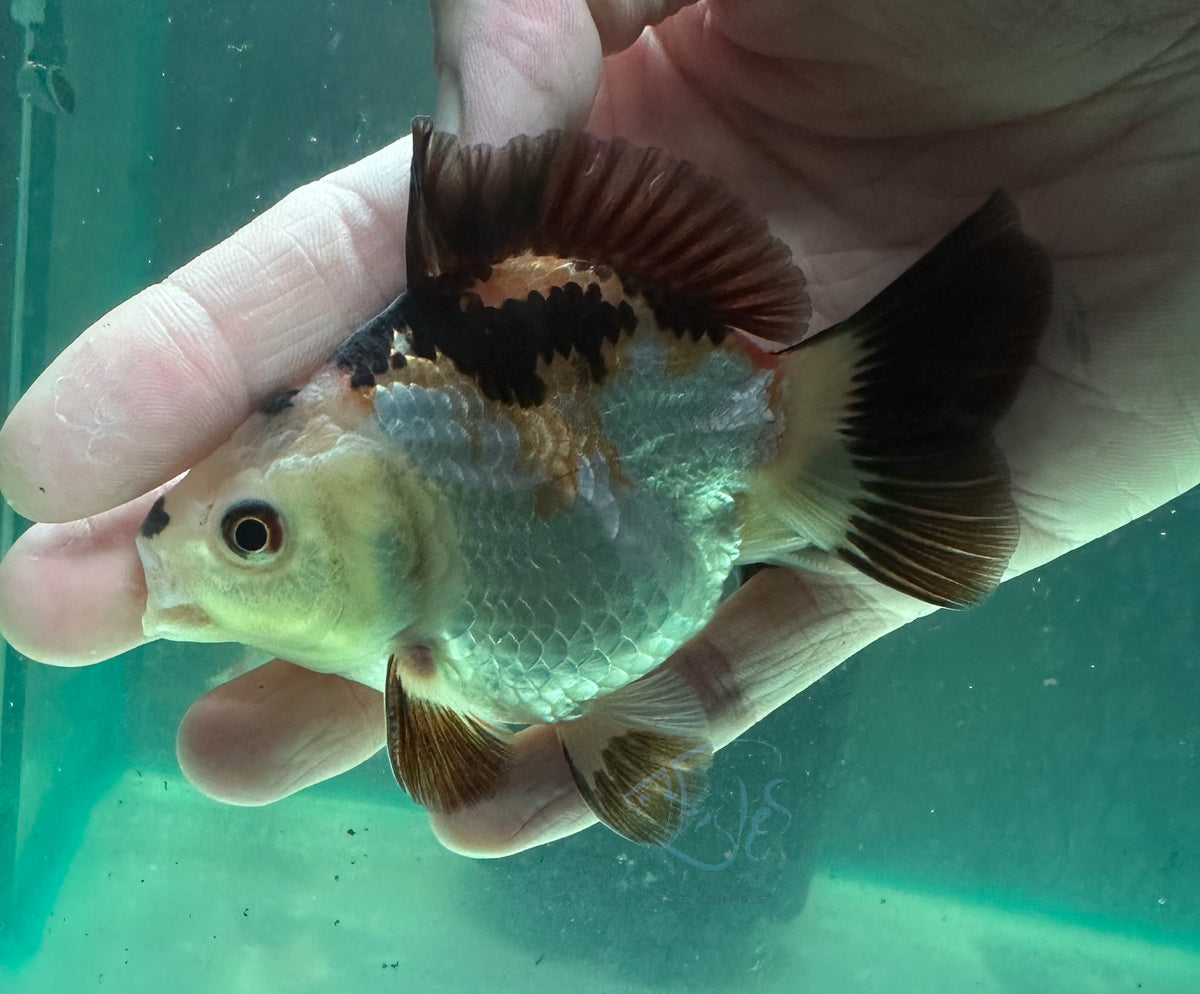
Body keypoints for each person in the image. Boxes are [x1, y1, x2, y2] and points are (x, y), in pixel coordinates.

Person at [0, 0, 1197, 856]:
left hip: (667, 387)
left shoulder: (429, 662)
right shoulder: (418, 649)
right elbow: (574, 725)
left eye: (252, 533)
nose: (220, 562)